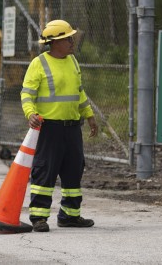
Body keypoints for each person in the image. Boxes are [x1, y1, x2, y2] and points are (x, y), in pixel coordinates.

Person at [21, 19, 99, 233]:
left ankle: (70, 216)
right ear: (55, 42)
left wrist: (90, 115)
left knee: (74, 170)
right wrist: (30, 114)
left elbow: (79, 92)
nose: (72, 42)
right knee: (45, 172)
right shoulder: (39, 63)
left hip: (73, 128)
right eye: (68, 38)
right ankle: (38, 217)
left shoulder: (73, 61)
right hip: (49, 129)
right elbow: (27, 94)